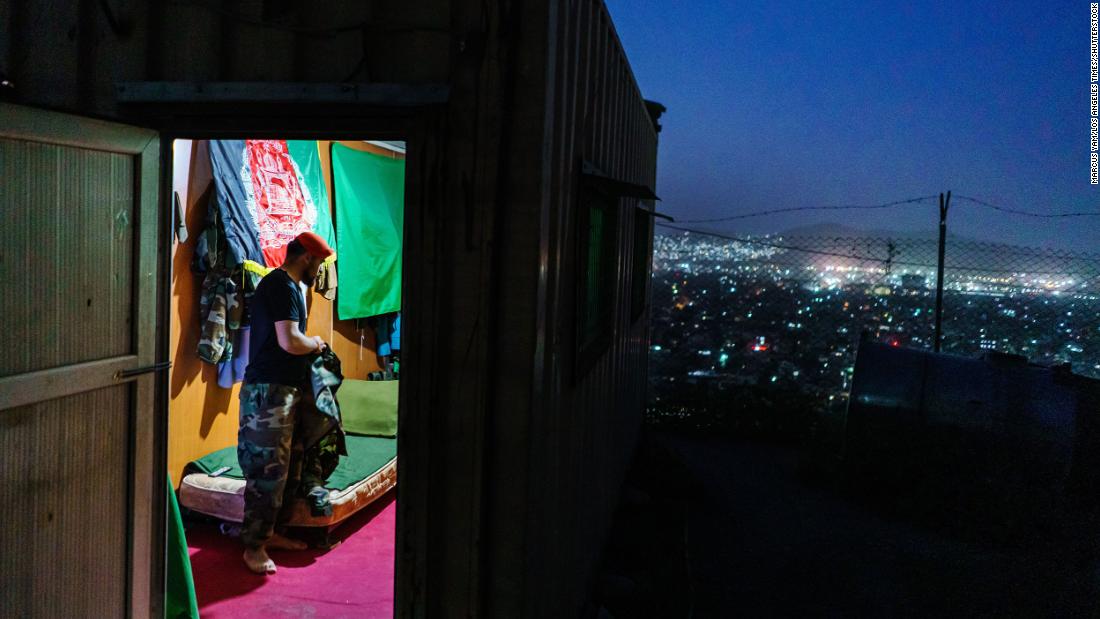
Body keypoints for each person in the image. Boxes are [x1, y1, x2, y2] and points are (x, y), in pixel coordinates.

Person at [237, 232, 333, 575]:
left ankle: (272, 533)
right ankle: (253, 547)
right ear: (306, 257)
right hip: (268, 393)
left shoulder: (293, 288)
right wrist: (316, 343)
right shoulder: (280, 286)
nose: (319, 270)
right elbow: (290, 341)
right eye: (319, 263)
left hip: (284, 390)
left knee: (288, 468)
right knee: (267, 472)